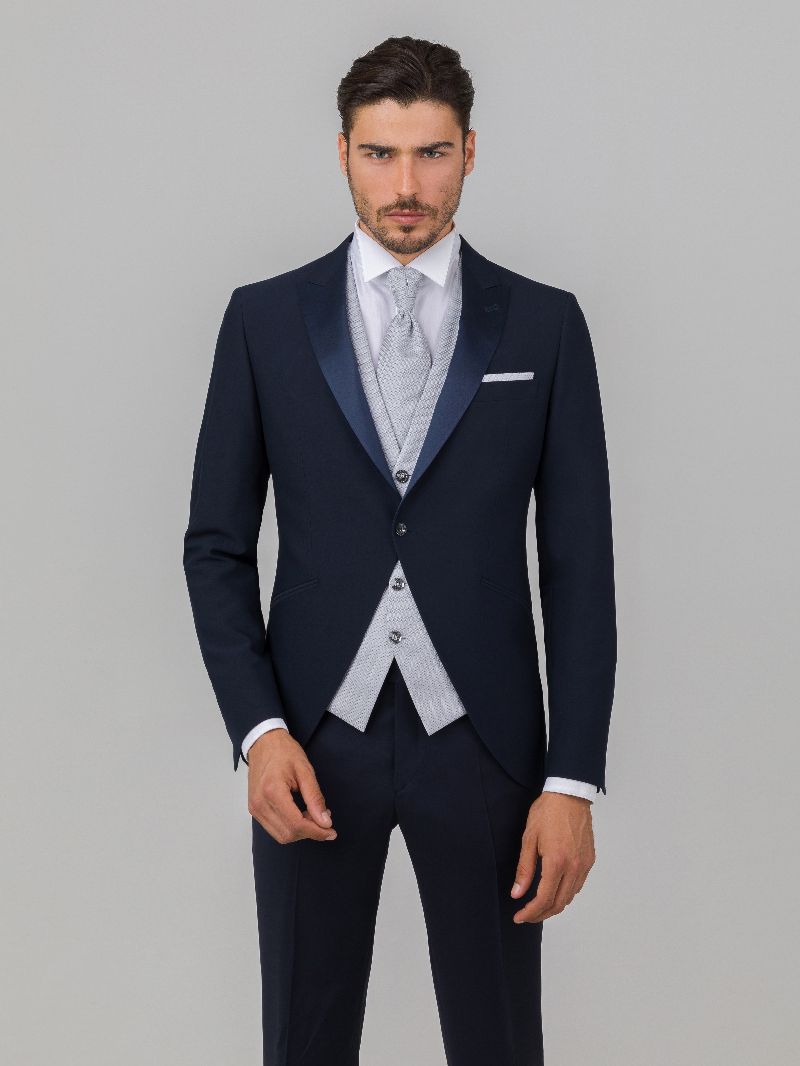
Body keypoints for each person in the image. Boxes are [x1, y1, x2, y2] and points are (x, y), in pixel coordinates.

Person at [183, 34, 616, 1066]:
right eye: (379, 154)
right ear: (342, 152)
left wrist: (571, 781)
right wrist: (258, 731)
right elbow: (215, 546)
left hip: (485, 746)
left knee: (499, 1043)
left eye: (430, 153)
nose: (406, 186)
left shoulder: (545, 327)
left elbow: (579, 569)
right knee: (303, 1040)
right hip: (310, 745)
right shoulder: (263, 321)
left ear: (469, 150)